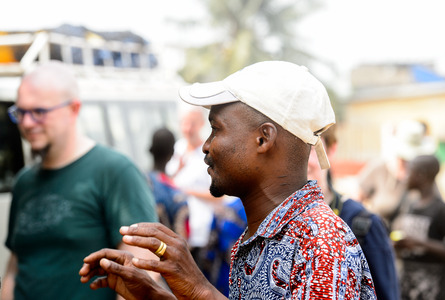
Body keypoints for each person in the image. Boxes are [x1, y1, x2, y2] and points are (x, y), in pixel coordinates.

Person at [80, 61, 376, 299]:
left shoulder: (320, 241)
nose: (207, 146)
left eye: (217, 129)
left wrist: (199, 289)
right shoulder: (260, 235)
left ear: (263, 138)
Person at [2, 61, 159, 300]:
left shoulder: (115, 171)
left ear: (74, 109)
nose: (26, 123)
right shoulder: (24, 182)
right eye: (20, 112)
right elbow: (15, 265)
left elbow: (142, 268)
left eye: (39, 112)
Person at [307, 125, 400, 300]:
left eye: (309, 147)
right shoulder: (258, 222)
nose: (298, 159)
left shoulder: (364, 225)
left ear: (331, 149)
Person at [165, 104, 222, 264]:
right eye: (184, 123)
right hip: (176, 228)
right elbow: (168, 181)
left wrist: (187, 191)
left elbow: (219, 196)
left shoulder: (209, 153)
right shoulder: (178, 149)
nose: (187, 128)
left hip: (201, 233)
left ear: (202, 125)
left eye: (192, 124)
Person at [390, 154, 445, 300]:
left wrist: (417, 242)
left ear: (422, 175)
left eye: (410, 171)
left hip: (432, 290)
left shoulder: (442, 210)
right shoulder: (410, 206)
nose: (406, 176)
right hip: (407, 287)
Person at [357, 119, 437, 224]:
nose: (408, 163)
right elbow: (356, 203)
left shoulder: (424, 176)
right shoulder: (378, 169)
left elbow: (436, 207)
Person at [147, 127, 190, 239]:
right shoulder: (175, 193)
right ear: (172, 153)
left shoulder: (142, 181)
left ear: (150, 150)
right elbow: (184, 236)